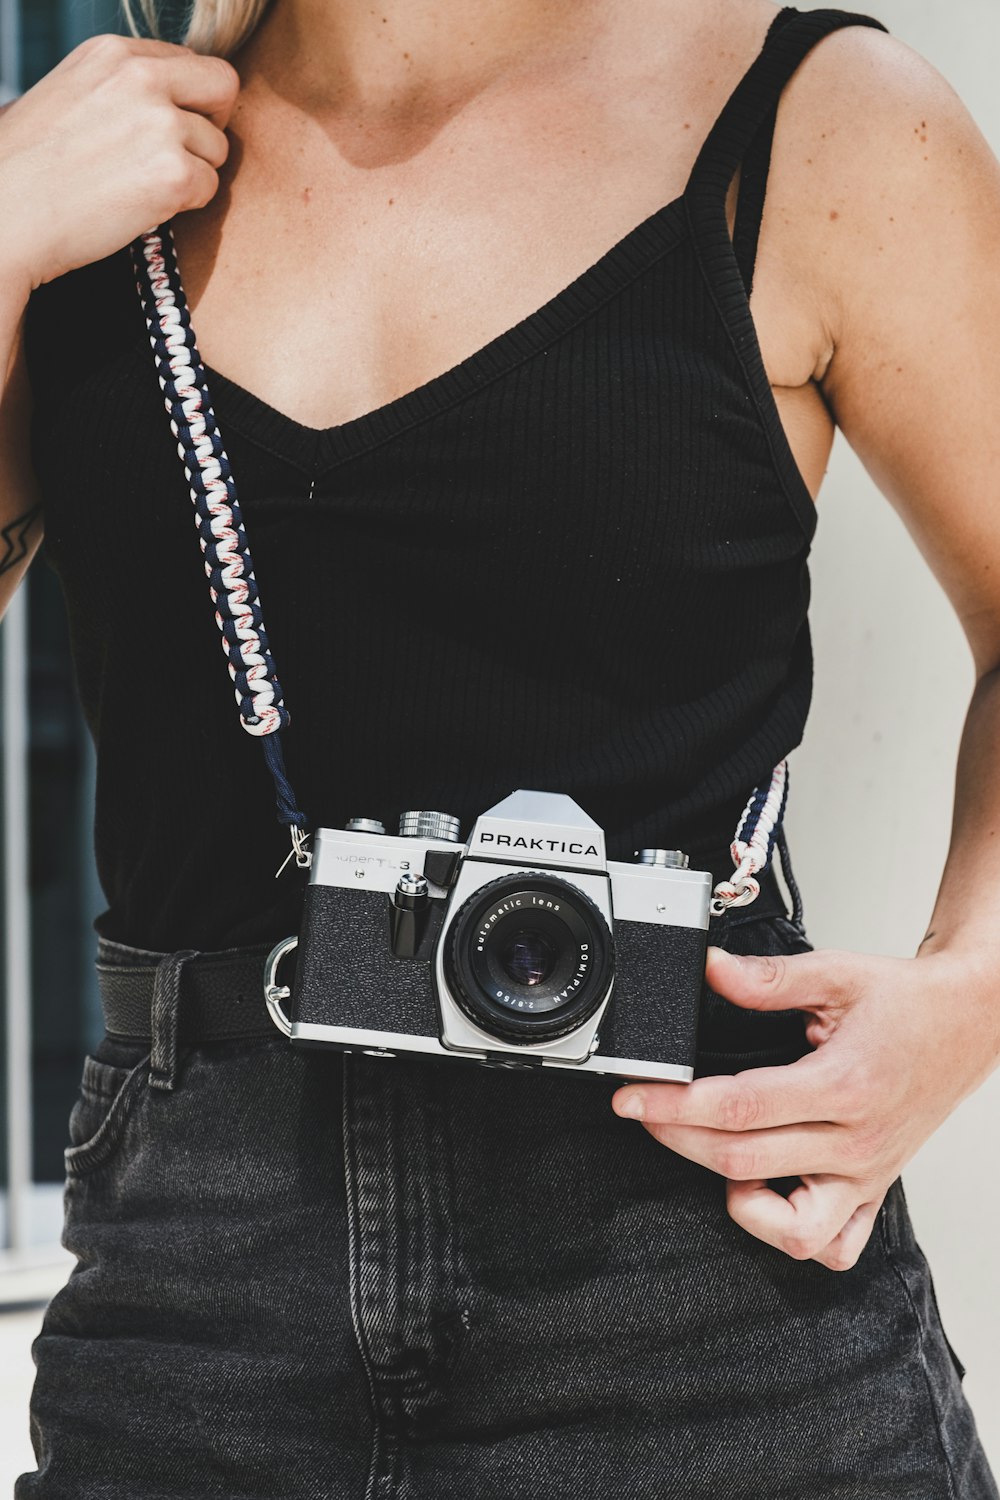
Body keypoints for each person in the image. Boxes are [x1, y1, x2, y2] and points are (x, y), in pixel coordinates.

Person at [1, 0, 999, 1492]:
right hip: (194, 1301)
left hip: (706, 1281)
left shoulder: (822, 123)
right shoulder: (89, 169)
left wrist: (975, 992)